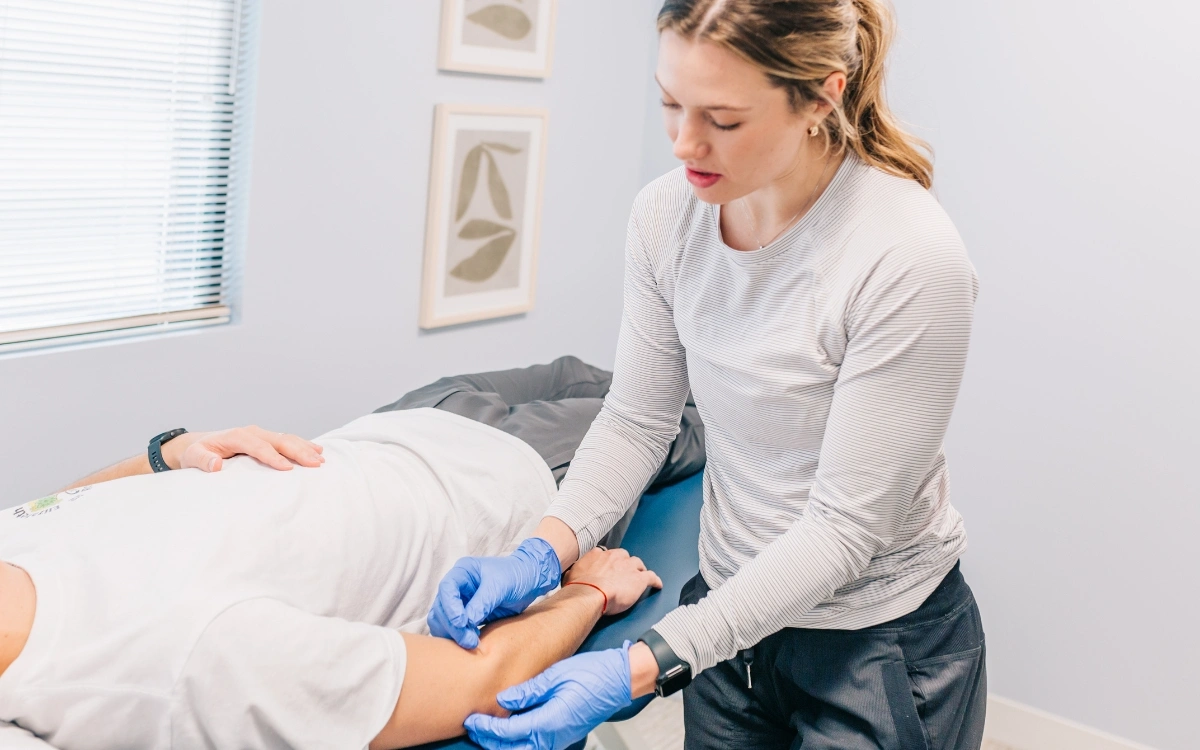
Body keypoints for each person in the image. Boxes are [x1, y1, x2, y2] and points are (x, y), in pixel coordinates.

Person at [429, 2, 988, 749]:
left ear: (820, 98)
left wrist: (646, 664)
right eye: (670, 104)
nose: (685, 142)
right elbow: (637, 420)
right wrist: (543, 549)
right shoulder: (667, 217)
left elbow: (845, 529)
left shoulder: (906, 255)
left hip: (876, 641)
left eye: (722, 120)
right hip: (732, 626)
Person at [0, 358, 702, 750]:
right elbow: (479, 681)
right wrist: (586, 593)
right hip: (522, 484)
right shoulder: (185, 662)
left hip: (404, 420)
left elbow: (56, 510)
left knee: (600, 366)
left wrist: (167, 453)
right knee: (712, 407)